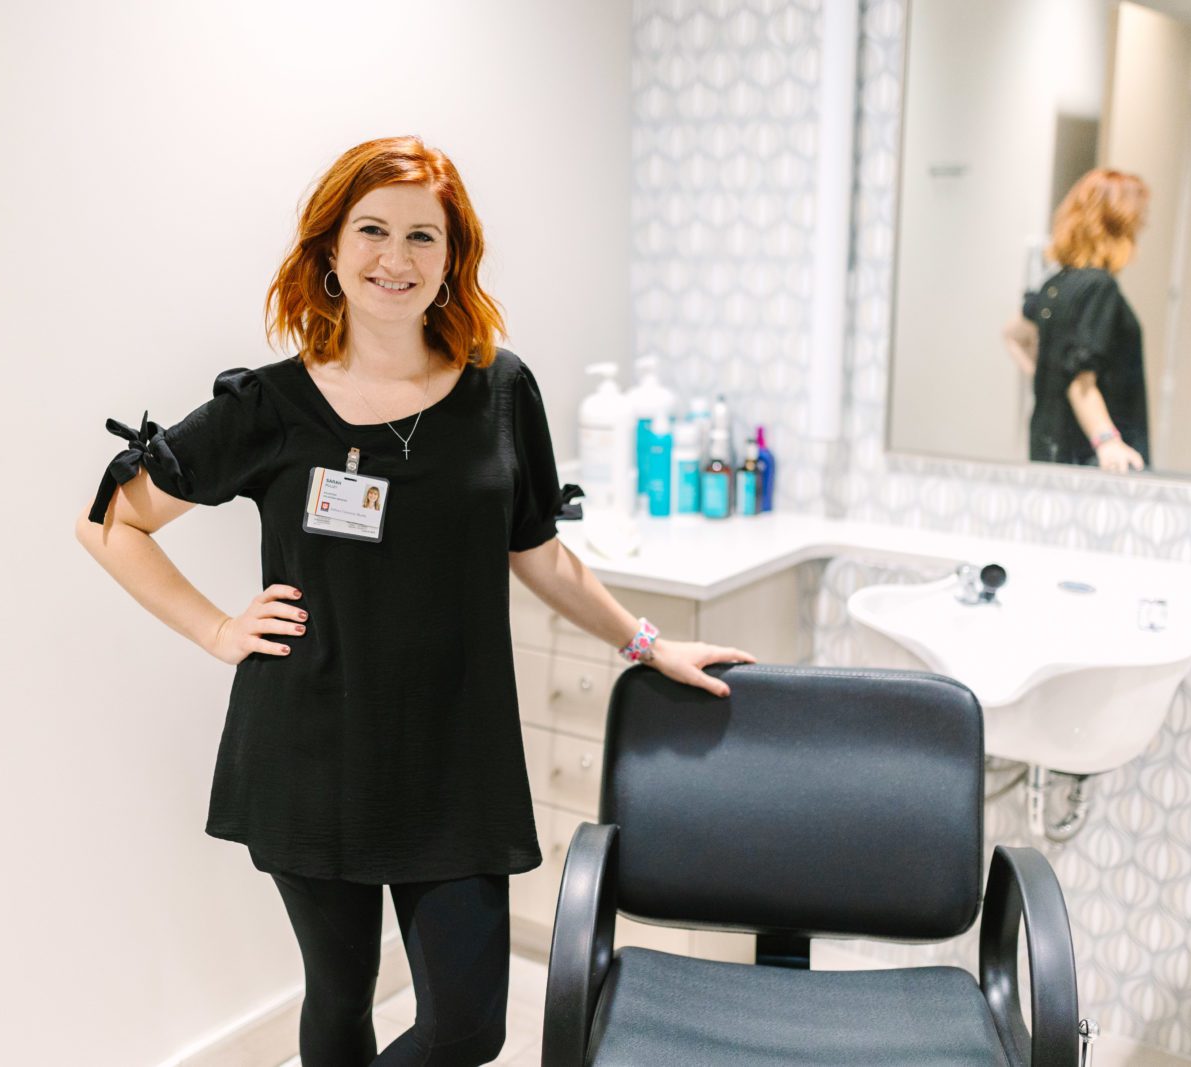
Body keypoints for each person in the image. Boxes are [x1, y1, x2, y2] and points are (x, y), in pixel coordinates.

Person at [74, 135, 756, 1067]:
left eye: (422, 238)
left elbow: (542, 555)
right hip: (310, 748)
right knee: (340, 997)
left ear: (453, 258)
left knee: (467, 1024)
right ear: (330, 250)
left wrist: (649, 643)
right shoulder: (267, 406)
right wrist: (217, 628)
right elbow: (111, 523)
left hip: (455, 755)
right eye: (372, 230)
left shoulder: (499, 392)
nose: (395, 259)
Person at [1002, 167, 1152, 474]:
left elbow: (1012, 335)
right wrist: (1108, 442)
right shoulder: (1100, 287)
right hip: (1092, 459)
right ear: (1118, 224)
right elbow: (1080, 384)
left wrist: (1046, 375)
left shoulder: (1057, 284)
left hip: (1050, 446)